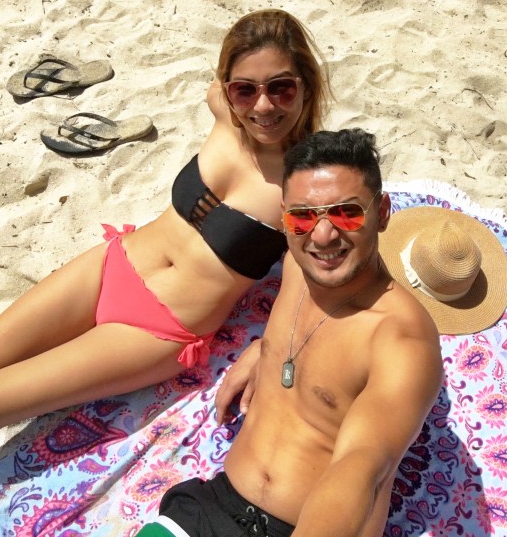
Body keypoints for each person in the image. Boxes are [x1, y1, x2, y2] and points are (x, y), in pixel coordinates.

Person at [0, 9, 332, 458]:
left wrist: (268, 349)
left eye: (281, 87)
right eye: (245, 89)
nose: (264, 106)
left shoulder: (309, 184)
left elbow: (313, 283)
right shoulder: (223, 112)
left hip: (156, 329)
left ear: (306, 85)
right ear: (227, 87)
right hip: (113, 266)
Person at [134, 128, 443, 537]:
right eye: (302, 216)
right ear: (284, 217)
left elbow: (362, 468)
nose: (323, 235)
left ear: (382, 213)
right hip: (213, 505)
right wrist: (266, 349)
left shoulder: (401, 340)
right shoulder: (299, 263)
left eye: (346, 213)